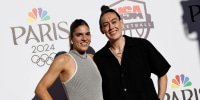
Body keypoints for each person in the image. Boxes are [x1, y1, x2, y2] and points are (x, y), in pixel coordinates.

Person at [93, 5, 171, 100]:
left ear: (121, 22)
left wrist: (160, 98)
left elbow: (162, 73)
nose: (111, 27)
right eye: (106, 25)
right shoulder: (98, 58)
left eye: (114, 22)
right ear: (101, 30)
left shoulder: (142, 45)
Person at [35, 19, 103, 100]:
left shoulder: (92, 59)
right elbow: (40, 89)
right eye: (79, 35)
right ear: (71, 38)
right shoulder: (64, 60)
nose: (84, 38)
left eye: (87, 34)